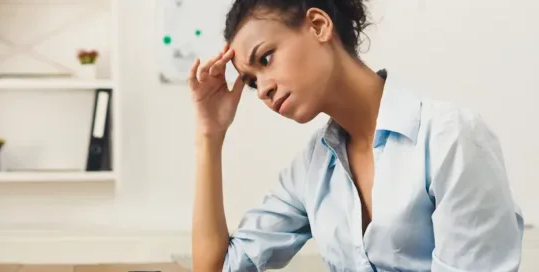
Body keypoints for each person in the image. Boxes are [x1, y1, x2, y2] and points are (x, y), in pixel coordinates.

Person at [187, 0, 525, 271]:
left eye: (266, 58)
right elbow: (217, 268)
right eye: (251, 82)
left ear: (318, 25)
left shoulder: (450, 138)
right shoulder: (313, 169)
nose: (263, 89)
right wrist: (210, 134)